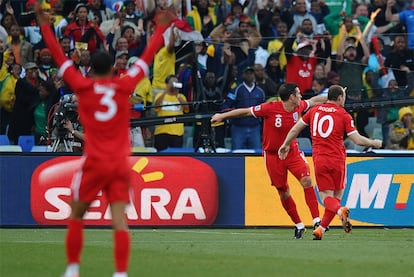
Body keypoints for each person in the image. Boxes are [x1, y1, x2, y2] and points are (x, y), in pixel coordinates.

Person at [36, 5, 175, 277]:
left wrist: (44, 26)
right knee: (120, 221)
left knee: (76, 216)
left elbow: (58, 56)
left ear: (90, 70)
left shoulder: (82, 86)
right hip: (119, 163)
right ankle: (120, 273)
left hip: (94, 161)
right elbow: (146, 57)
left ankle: (73, 269)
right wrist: (160, 28)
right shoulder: (124, 85)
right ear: (113, 69)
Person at [212, 83, 325, 239]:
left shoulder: (298, 106)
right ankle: (299, 225)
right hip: (273, 155)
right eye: (298, 93)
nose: (301, 96)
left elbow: (314, 101)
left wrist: (333, 96)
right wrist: (222, 116)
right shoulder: (270, 108)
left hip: (291, 151)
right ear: (291, 97)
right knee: (283, 192)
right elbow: (245, 112)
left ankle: (317, 221)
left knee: (306, 180)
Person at [278, 85, 382, 240]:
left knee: (327, 198)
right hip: (337, 159)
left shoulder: (314, 111)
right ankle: (337, 214)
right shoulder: (344, 115)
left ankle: (321, 229)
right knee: (336, 198)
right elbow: (357, 140)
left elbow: (295, 129)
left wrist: (285, 144)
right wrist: (374, 143)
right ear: (339, 98)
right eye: (344, 96)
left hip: (320, 159)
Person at [153, 74, 190, 151]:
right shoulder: (160, 95)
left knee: (175, 157)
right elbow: (156, 106)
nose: (174, 84)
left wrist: (177, 95)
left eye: (176, 82)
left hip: (177, 132)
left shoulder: (181, 97)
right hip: (162, 131)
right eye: (172, 82)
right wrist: (165, 91)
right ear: (167, 84)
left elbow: (186, 108)